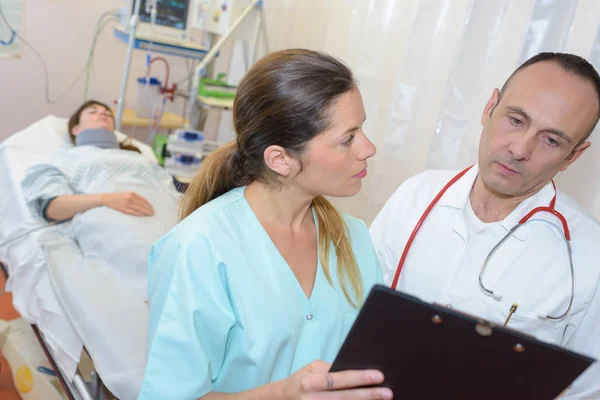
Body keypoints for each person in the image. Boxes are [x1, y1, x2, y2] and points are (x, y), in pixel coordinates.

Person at [138, 49, 391, 400]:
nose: (368, 148)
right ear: (281, 160)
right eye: (347, 139)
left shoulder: (354, 241)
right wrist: (281, 395)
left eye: (362, 128)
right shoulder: (199, 248)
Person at [370, 52, 600, 398]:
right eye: (516, 120)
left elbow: (587, 392)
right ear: (489, 107)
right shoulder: (417, 194)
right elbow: (356, 312)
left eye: (551, 140)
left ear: (573, 156)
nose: (520, 149)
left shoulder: (589, 256)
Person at [21, 100, 172, 222]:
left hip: (165, 214)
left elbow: (171, 188)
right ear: (76, 129)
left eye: (108, 113)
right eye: (93, 112)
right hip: (113, 219)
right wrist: (105, 199)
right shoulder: (63, 158)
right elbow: (52, 208)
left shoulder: (138, 157)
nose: (102, 113)